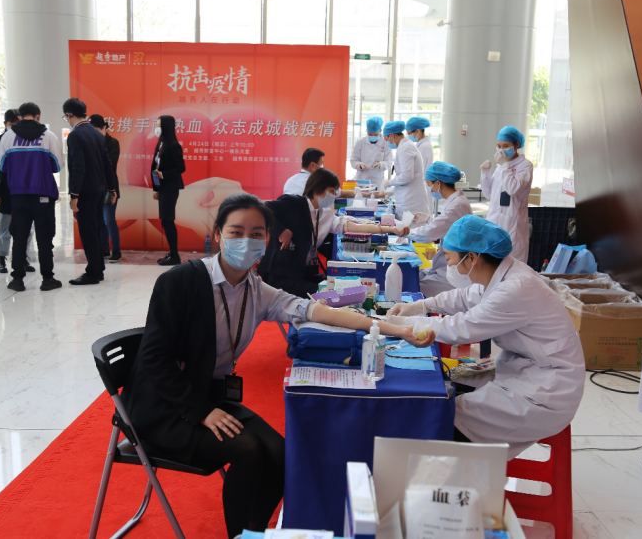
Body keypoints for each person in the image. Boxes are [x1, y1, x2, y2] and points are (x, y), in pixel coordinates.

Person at [122, 192, 432, 538]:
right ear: (218, 234)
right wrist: (202, 412)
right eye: (236, 232)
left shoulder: (256, 289)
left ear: (267, 239)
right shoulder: (180, 282)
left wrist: (397, 330)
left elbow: (317, 310)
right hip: (167, 408)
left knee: (282, 452)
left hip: (207, 396)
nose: (246, 241)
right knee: (250, 451)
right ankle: (240, 535)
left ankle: (254, 530)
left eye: (256, 233)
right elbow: (153, 360)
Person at [388, 215, 585, 459]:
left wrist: (399, 325)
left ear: (472, 258)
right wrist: (422, 306)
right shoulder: (500, 273)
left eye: (449, 259)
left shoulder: (515, 288)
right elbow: (465, 296)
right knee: (445, 383)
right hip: (523, 369)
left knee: (444, 417)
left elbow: (463, 327)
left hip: (544, 391)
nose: (449, 266)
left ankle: (454, 475)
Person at [259, 168, 409, 299]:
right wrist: (281, 230)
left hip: (305, 273)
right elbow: (263, 208)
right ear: (318, 187)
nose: (334, 196)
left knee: (339, 287)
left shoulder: (325, 215)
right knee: (327, 294)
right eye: (331, 191)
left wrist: (389, 229)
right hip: (282, 276)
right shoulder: (294, 203)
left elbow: (354, 226)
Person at [0, 101, 64, 292]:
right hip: (43, 194)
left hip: (18, 195)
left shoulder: (8, 136)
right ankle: (47, 279)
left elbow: (2, 166)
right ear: (38, 116)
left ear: (19, 117)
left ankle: (17, 279)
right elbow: (57, 165)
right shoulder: (48, 136)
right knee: (45, 238)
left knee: (19, 237)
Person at [63, 97, 117, 285]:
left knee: (88, 232)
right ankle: (98, 269)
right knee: (94, 230)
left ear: (69, 114)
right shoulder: (97, 134)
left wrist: (74, 194)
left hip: (85, 192)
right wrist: (112, 189)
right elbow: (107, 164)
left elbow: (78, 167)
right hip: (99, 190)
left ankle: (93, 273)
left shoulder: (76, 135)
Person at [409, 162, 473, 298]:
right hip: (446, 265)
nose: (429, 189)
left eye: (429, 184)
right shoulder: (455, 202)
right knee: (413, 276)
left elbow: (429, 234)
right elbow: (446, 225)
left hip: (453, 272)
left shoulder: (457, 206)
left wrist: (406, 232)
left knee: (411, 286)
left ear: (438, 183)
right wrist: (428, 220)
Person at [0, 109, 35, 275]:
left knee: (27, 227)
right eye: (13, 122)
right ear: (6, 123)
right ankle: (1, 257)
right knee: (5, 227)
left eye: (18, 122)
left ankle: (23, 257)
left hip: (25, 191)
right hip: (6, 191)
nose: (15, 125)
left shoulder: (27, 140)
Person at [480, 125, 533, 263]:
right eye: (499, 146)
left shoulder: (525, 166)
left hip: (513, 227)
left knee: (512, 266)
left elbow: (512, 188)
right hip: (494, 222)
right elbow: (489, 194)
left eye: (506, 146)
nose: (501, 150)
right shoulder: (500, 167)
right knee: (492, 264)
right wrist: (485, 173)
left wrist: (505, 166)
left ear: (516, 145)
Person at [150, 115, 185, 266]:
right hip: (163, 188)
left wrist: (163, 175)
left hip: (170, 188)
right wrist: (156, 188)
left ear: (166, 127)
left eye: (159, 125)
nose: (156, 128)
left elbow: (181, 168)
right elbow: (155, 168)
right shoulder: (160, 143)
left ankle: (175, 256)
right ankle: (172, 253)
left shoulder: (174, 145)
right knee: (165, 221)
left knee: (167, 220)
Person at [88, 115, 122, 263]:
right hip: (95, 187)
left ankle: (116, 250)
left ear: (104, 128)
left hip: (110, 187)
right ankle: (104, 249)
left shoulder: (112, 142)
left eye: (96, 130)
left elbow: (111, 164)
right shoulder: (90, 142)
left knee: (109, 220)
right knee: (100, 221)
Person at [383, 120, 430, 217]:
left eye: (387, 139)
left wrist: (390, 182)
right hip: (408, 198)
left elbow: (406, 177)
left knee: (411, 226)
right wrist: (392, 191)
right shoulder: (404, 146)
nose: (387, 143)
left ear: (391, 135)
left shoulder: (405, 148)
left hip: (411, 203)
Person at [350, 116, 393, 188]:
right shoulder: (360, 142)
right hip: (362, 178)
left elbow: (389, 162)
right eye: (370, 134)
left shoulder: (385, 143)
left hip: (377, 180)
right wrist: (360, 165)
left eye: (376, 135)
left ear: (380, 131)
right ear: (366, 131)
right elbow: (353, 161)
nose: (373, 136)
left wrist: (380, 165)